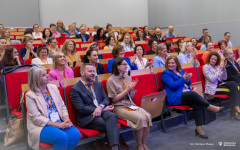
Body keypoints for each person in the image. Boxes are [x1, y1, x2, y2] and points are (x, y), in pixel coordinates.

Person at [162, 56, 223, 139]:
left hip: (185, 94)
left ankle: (199, 128)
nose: (171, 64)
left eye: (173, 63)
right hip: (175, 96)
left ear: (176, 64)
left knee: (197, 104)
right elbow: (173, 86)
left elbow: (188, 83)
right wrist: (183, 78)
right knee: (192, 94)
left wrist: (187, 79)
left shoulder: (180, 71)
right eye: (169, 63)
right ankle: (210, 106)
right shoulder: (166, 73)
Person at [26, 66, 80, 150]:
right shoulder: (30, 95)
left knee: (76, 134)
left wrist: (66, 120)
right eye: (43, 75)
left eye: (46, 73)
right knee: (61, 138)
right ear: (36, 79)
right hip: (42, 126)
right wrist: (58, 125)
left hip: (59, 120)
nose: (47, 76)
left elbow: (62, 106)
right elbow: (36, 118)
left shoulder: (53, 88)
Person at [70, 63, 120, 150]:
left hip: (101, 110)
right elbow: (81, 108)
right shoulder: (75, 89)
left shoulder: (98, 84)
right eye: (90, 71)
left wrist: (100, 107)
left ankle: (114, 147)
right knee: (108, 124)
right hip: (87, 116)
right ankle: (107, 144)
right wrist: (102, 110)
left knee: (112, 116)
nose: (93, 73)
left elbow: (106, 99)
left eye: (94, 71)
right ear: (82, 73)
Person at [107, 57, 152, 150]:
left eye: (126, 64)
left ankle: (144, 143)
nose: (126, 66)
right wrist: (127, 89)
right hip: (119, 107)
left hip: (130, 105)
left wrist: (132, 90)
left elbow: (131, 97)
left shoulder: (127, 77)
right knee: (141, 118)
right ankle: (139, 145)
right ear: (117, 66)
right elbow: (114, 100)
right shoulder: (110, 80)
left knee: (148, 116)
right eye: (124, 64)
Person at [203, 52, 240, 120]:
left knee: (233, 84)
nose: (214, 61)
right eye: (212, 59)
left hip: (221, 84)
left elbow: (224, 78)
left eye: (215, 60)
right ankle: (235, 111)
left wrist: (224, 69)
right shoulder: (205, 67)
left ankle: (236, 107)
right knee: (235, 89)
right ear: (209, 59)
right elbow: (212, 79)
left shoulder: (217, 67)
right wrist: (220, 69)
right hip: (213, 87)